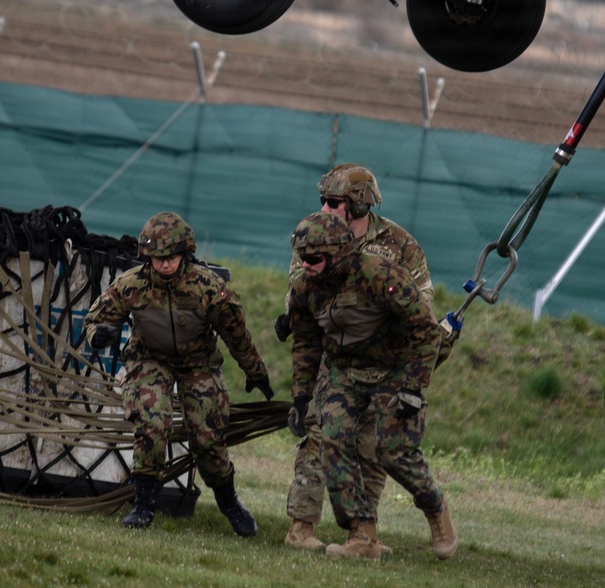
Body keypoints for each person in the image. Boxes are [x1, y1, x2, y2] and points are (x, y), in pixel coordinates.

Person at [278, 163, 447, 554]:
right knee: (320, 435)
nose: (325, 207)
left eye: (333, 201)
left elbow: (420, 301)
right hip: (335, 356)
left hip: (386, 361)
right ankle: (301, 526)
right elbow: (300, 289)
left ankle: (363, 533)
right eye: (322, 200)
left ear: (357, 204)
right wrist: (294, 317)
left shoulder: (398, 244)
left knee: (373, 447)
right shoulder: (313, 235)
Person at [83, 211, 274, 537]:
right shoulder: (131, 285)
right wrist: (98, 335)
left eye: (171, 257)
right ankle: (143, 504)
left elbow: (236, 333)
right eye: (158, 258)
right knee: (152, 422)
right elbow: (95, 318)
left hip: (198, 363)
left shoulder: (207, 287)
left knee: (207, 438)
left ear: (185, 253)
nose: (165, 264)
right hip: (149, 360)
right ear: (148, 257)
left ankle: (230, 503)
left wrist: (255, 371)